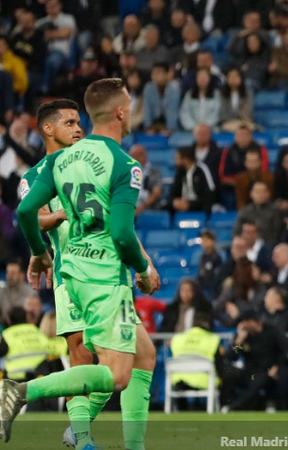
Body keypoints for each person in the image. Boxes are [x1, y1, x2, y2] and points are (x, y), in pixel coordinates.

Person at [12, 79, 162, 449]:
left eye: (79, 121)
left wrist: (144, 260)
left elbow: (117, 222)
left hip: (103, 270)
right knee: (85, 355)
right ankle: (80, 436)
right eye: (68, 123)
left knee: (142, 356)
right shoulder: (35, 175)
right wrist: (58, 223)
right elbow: (35, 214)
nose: (77, 128)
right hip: (75, 274)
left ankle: (111, 437)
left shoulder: (84, 162)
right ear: (48, 129)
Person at [221, 309, 288, 412]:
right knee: (229, 374)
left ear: (253, 321)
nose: (241, 325)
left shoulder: (272, 331)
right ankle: (226, 403)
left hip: (269, 372)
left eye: (244, 321)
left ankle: (236, 407)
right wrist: (239, 341)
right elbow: (230, 357)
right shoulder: (243, 336)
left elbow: (286, 351)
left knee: (261, 378)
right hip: (249, 372)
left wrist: (277, 366)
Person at [168, 313, 225, 410]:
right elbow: (220, 365)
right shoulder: (212, 339)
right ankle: (224, 406)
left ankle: (181, 410)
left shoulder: (177, 338)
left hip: (179, 378)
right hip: (205, 379)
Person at [0, 307, 50, 381]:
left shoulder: (7, 334)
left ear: (9, 320)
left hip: (16, 378)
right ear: (26, 317)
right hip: (40, 375)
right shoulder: (37, 330)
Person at [170, 147, 217, 213]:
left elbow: (210, 195)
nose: (175, 162)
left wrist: (190, 204)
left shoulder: (202, 170)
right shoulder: (180, 172)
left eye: (177, 158)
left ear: (186, 159)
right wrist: (174, 201)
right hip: (182, 206)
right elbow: (172, 193)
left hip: (199, 208)